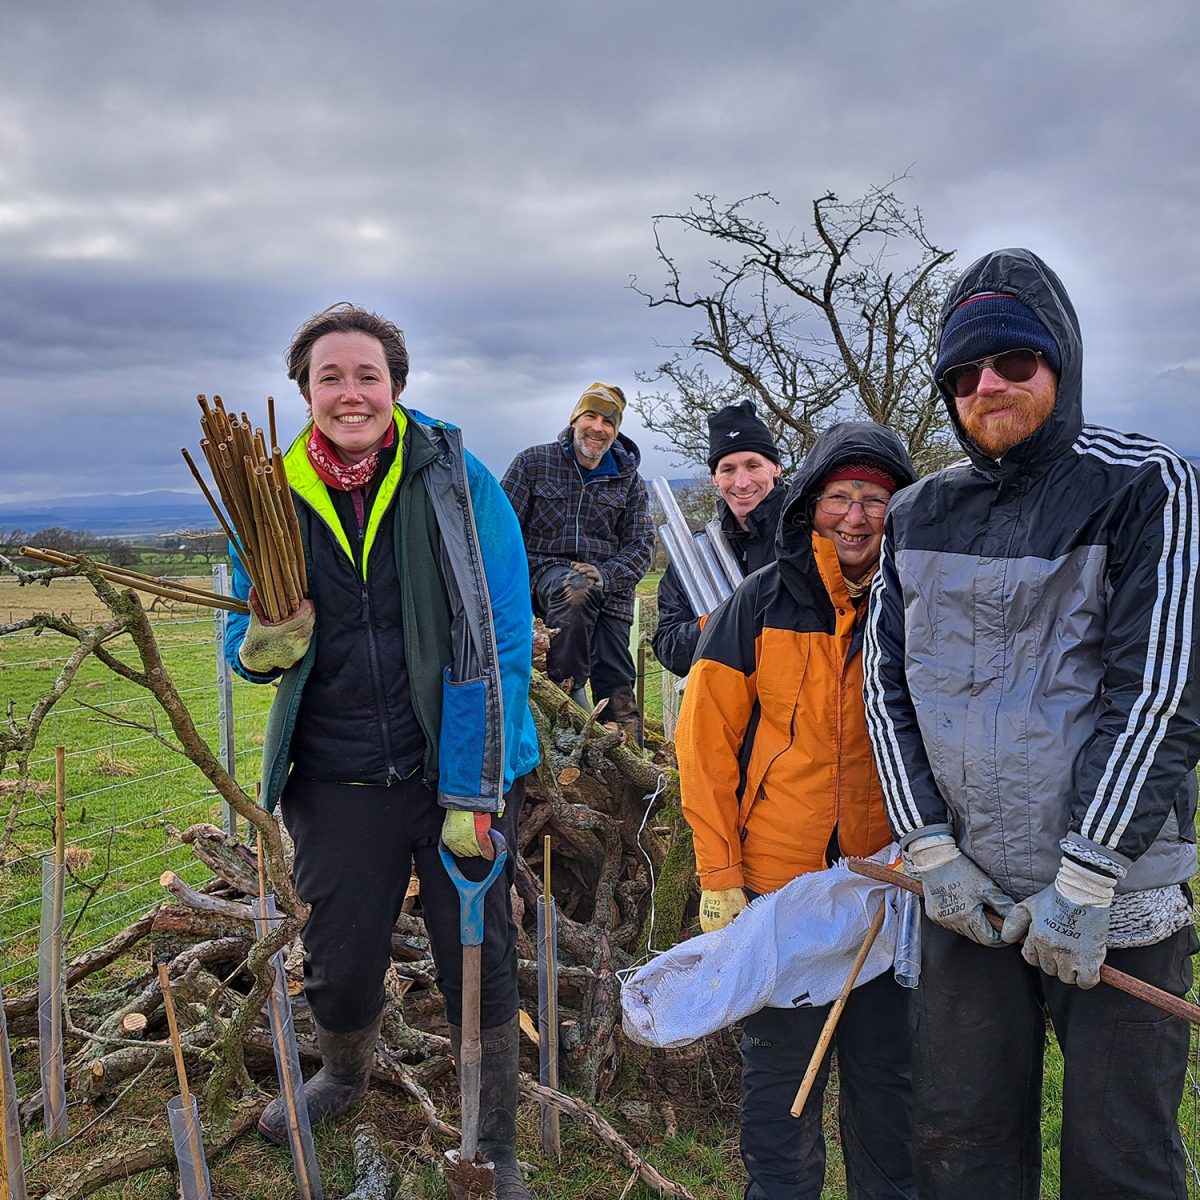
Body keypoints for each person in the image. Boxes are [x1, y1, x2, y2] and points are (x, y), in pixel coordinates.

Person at [864, 249, 1200, 1200]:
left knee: (1120, 1155)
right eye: (965, 374)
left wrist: (1089, 875)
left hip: (1115, 891)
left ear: (1062, 364)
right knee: (960, 1146)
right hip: (970, 896)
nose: (989, 387)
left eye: (1015, 363)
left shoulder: (1148, 487)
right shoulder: (920, 512)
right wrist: (931, 853)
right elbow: (883, 694)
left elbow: (1162, 692)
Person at [224, 303, 540, 1200]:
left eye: (367, 375)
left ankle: (496, 1141)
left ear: (396, 386)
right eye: (332, 377)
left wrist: (476, 789)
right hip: (335, 774)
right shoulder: (273, 493)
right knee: (343, 952)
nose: (350, 392)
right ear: (306, 391)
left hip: (457, 765)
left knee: (475, 955)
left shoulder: (455, 479)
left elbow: (504, 634)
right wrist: (259, 648)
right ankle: (344, 1074)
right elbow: (247, 630)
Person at [676, 420, 917, 1200]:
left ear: (900, 508)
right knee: (782, 1088)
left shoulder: (920, 603)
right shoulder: (758, 602)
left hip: (888, 887)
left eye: (875, 500)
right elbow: (705, 746)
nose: (855, 516)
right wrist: (720, 873)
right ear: (809, 503)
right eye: (839, 497)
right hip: (778, 888)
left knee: (890, 1084)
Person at [501, 383, 654, 740]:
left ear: (616, 430)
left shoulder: (630, 482)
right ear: (575, 420)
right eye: (590, 416)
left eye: (608, 421)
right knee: (576, 590)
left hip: (608, 591)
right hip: (543, 578)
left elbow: (641, 545)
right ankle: (566, 696)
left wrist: (606, 574)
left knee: (618, 694)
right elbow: (502, 530)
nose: (597, 427)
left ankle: (634, 771)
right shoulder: (533, 463)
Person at [652, 399, 787, 676]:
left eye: (753, 465)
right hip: (730, 706)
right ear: (714, 477)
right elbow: (668, 647)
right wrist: (714, 624)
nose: (741, 482)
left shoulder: (808, 536)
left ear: (776, 468)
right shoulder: (696, 554)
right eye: (728, 469)